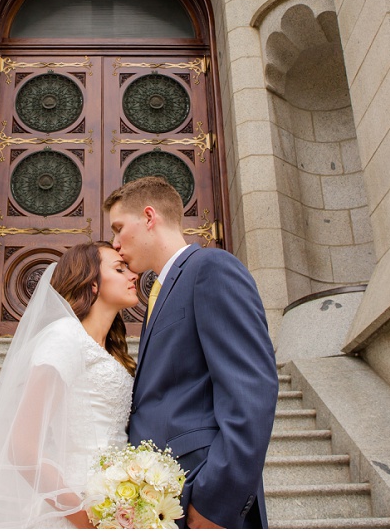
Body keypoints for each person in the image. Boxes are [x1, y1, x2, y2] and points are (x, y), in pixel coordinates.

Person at [107, 176, 277, 529]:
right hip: (162, 500)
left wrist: (215, 504)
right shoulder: (162, 289)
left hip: (201, 497)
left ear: (149, 217)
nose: (115, 242)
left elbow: (251, 390)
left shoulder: (211, 268)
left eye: (119, 228)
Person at [0, 241, 140, 528]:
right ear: (92, 285)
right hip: (78, 505)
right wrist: (88, 521)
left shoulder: (109, 352)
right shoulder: (64, 337)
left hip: (116, 502)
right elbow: (22, 448)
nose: (133, 275)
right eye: (119, 269)